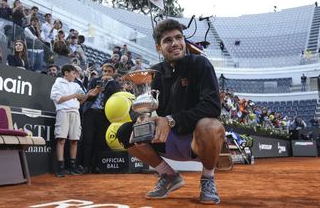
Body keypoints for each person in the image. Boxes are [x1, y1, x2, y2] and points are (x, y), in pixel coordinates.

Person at [117, 19, 224, 204]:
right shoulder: (154, 73)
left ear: (184, 40)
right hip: (164, 140)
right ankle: (168, 176)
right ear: (159, 47)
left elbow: (213, 106)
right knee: (126, 131)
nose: (175, 43)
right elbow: (138, 107)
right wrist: (142, 118)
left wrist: (171, 120)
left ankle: (207, 178)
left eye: (178, 37)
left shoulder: (201, 64)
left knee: (211, 125)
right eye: (168, 40)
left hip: (196, 142)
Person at [80, 63, 121, 174]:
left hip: (104, 114)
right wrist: (95, 91)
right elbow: (87, 94)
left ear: (113, 72)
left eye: (109, 71)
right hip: (90, 113)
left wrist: (111, 82)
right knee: (88, 140)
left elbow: (117, 95)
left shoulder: (114, 83)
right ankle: (85, 166)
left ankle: (96, 166)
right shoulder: (94, 81)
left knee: (100, 141)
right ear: (101, 71)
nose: (106, 73)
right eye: (104, 71)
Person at [50, 65, 87, 177]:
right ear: (66, 73)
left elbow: (81, 99)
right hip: (63, 112)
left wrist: (87, 95)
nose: (75, 75)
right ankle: (60, 168)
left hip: (75, 112)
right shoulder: (58, 83)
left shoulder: (76, 85)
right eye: (73, 73)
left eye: (75, 73)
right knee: (61, 139)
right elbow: (59, 99)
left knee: (74, 140)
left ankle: (72, 167)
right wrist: (74, 95)